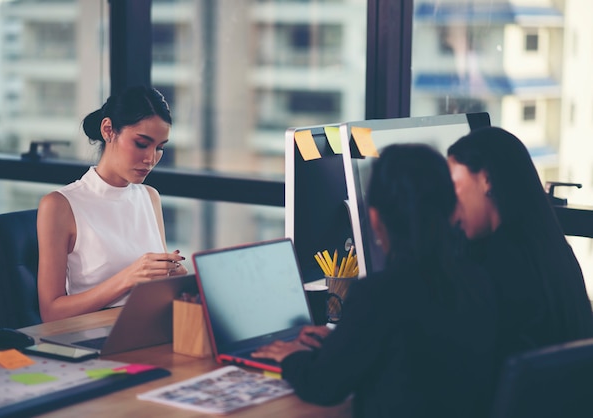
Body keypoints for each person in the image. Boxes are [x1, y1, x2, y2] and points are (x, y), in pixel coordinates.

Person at [253, 143, 498, 418]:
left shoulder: (377, 295)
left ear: (374, 217)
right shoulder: (479, 281)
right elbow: (403, 354)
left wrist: (291, 356)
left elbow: (322, 386)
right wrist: (341, 342)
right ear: (454, 210)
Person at [37, 86, 188, 322]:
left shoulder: (150, 196)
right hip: (91, 338)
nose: (151, 159)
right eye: (141, 143)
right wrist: (129, 278)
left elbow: (152, 282)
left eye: (159, 147)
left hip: (148, 326)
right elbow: (51, 312)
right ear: (108, 130)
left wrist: (173, 275)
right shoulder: (60, 205)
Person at [447, 126, 593, 367]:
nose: (451, 203)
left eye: (455, 186)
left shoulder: (502, 261)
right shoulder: (550, 247)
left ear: (486, 180)